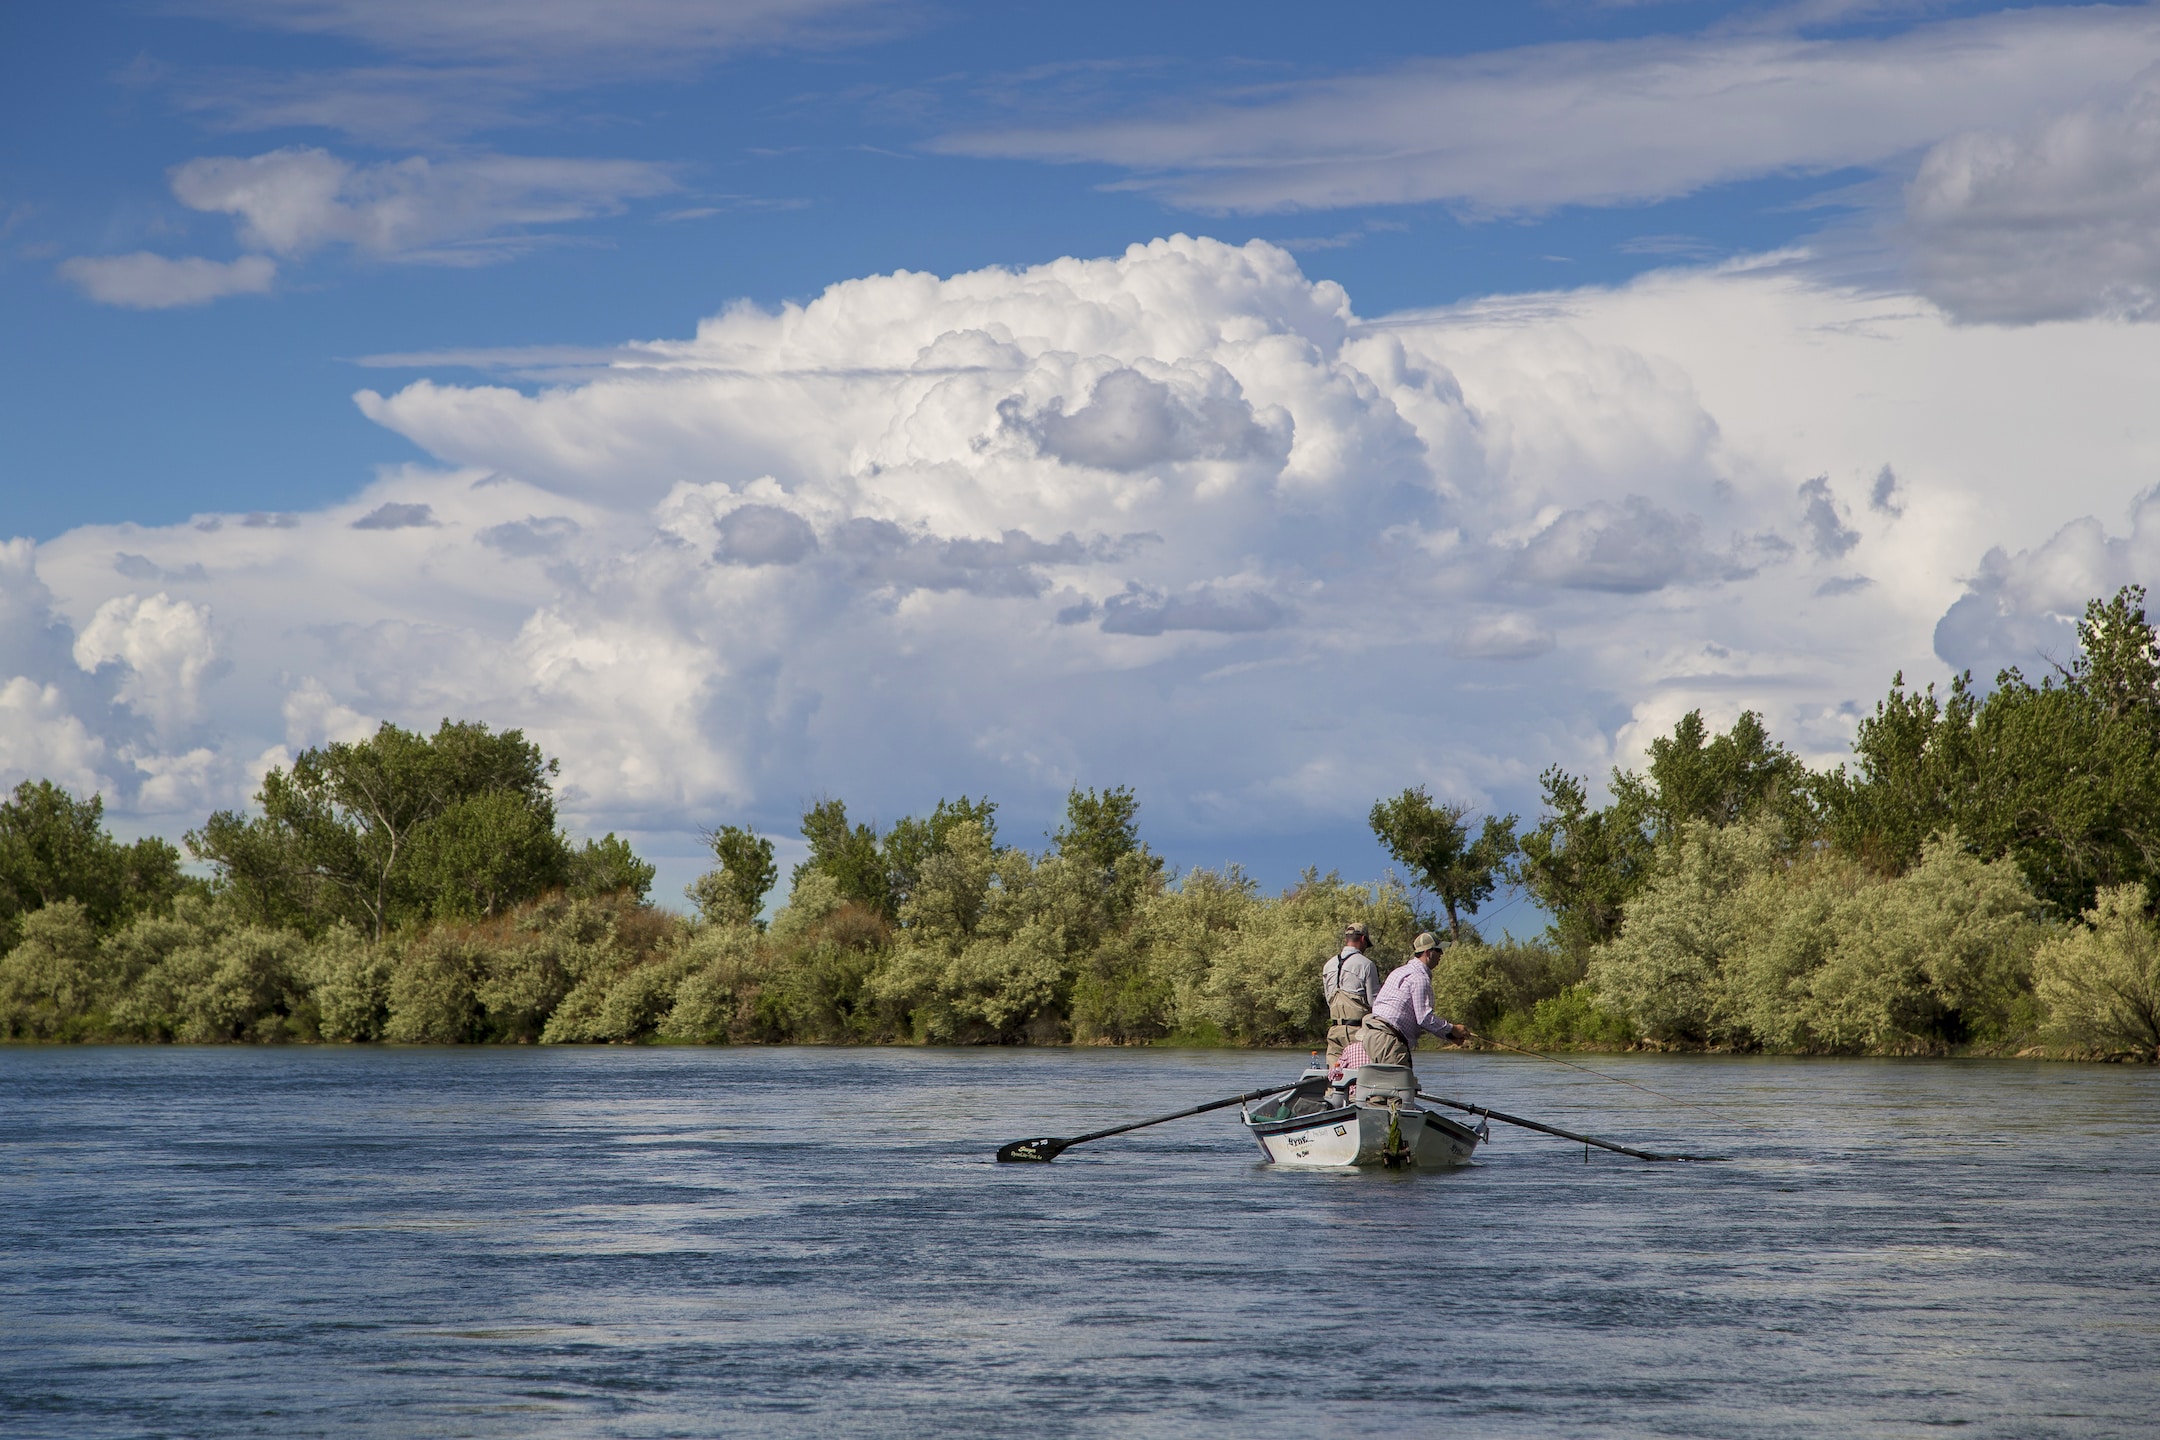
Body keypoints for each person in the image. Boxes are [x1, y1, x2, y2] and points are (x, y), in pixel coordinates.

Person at [1359, 932, 1472, 1073]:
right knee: (1398, 1091)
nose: (1441, 954)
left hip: (1371, 1036)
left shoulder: (1398, 972)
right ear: (1428, 952)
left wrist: (1448, 1035)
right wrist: (1452, 1029)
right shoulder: (1420, 978)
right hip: (1390, 1039)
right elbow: (1424, 1018)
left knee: (1380, 1090)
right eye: (1438, 950)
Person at [1321, 922, 1379, 1063]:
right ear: (1363, 939)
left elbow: (1329, 999)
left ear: (1346, 939)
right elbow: (1375, 1003)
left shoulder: (1328, 965)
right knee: (1359, 1078)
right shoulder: (1366, 964)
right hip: (1358, 1032)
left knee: (1334, 1077)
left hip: (1335, 1030)